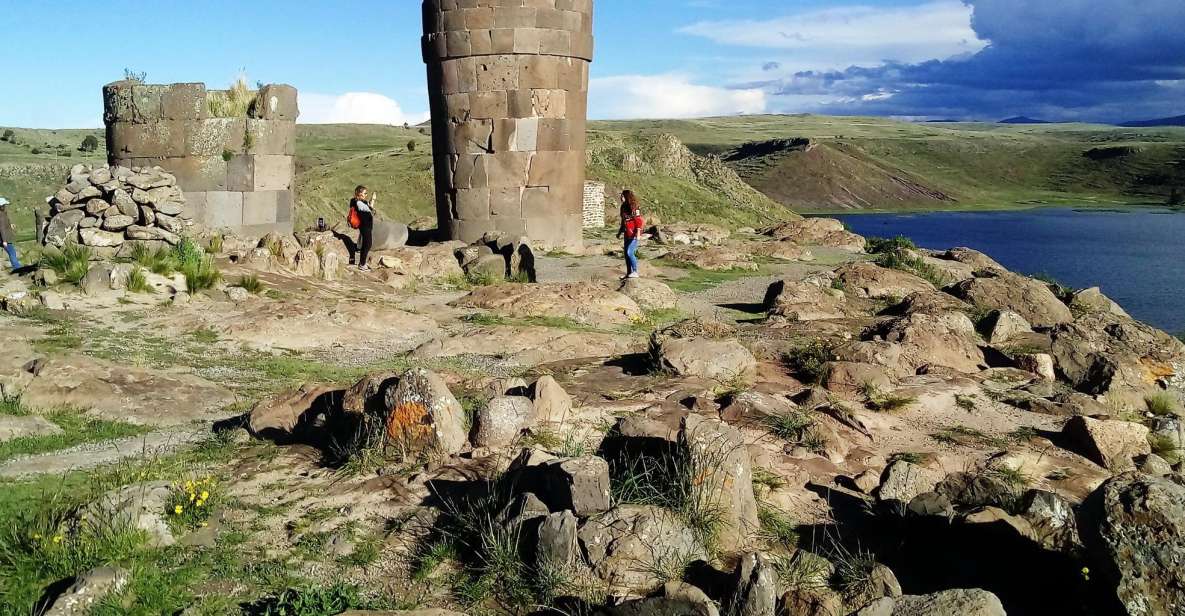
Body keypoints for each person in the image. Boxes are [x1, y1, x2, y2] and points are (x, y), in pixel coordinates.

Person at [615, 190, 644, 279]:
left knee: (629, 252)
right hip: (627, 233)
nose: (621, 198)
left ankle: (635, 271)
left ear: (626, 197)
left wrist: (638, 233)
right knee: (626, 254)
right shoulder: (623, 207)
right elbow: (623, 221)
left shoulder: (634, 207)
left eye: (622, 196)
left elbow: (638, 220)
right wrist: (620, 232)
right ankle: (628, 273)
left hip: (634, 233)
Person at [350, 185, 376, 272]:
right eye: (365, 193)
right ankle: (362, 264)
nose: (366, 195)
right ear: (359, 193)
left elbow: (369, 208)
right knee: (367, 244)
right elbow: (370, 210)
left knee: (366, 243)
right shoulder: (358, 202)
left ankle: (362, 262)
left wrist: (372, 200)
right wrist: (371, 205)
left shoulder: (361, 202)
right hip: (365, 226)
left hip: (367, 226)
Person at [0, 197, 20, 271]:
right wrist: (4, 241)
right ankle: (17, 268)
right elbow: (2, 228)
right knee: (12, 253)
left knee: (12, 252)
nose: (5, 206)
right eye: (4, 205)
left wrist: (10, 224)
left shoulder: (3, 213)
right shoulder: (1, 215)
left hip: (3, 237)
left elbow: (5, 223)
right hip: (5, 238)